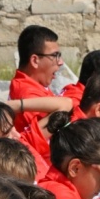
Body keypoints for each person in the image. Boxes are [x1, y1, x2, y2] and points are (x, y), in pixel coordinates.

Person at [9, 25, 73, 163]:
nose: (60, 62)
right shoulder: (26, 92)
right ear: (35, 60)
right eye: (55, 56)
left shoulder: (35, 85)